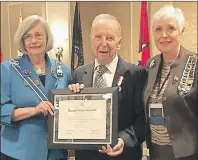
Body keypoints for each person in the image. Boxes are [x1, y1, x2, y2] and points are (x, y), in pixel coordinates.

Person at [68, 14, 146, 160]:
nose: (103, 43)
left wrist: (123, 140)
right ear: (91, 40)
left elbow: (142, 121)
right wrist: (70, 100)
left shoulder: (137, 75)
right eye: (98, 37)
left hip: (124, 155)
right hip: (86, 156)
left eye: (110, 38)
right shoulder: (79, 74)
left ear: (119, 43)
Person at [0, 15, 72, 160]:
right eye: (28, 36)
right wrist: (34, 110)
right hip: (19, 152)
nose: (33, 41)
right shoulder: (8, 69)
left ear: (47, 38)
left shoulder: (63, 70)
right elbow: (2, 111)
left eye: (38, 35)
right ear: (22, 41)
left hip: (55, 153)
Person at [143, 5, 198, 160]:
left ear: (181, 31)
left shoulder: (195, 63)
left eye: (171, 28)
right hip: (156, 151)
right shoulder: (150, 65)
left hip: (187, 153)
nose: (164, 35)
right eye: (158, 29)